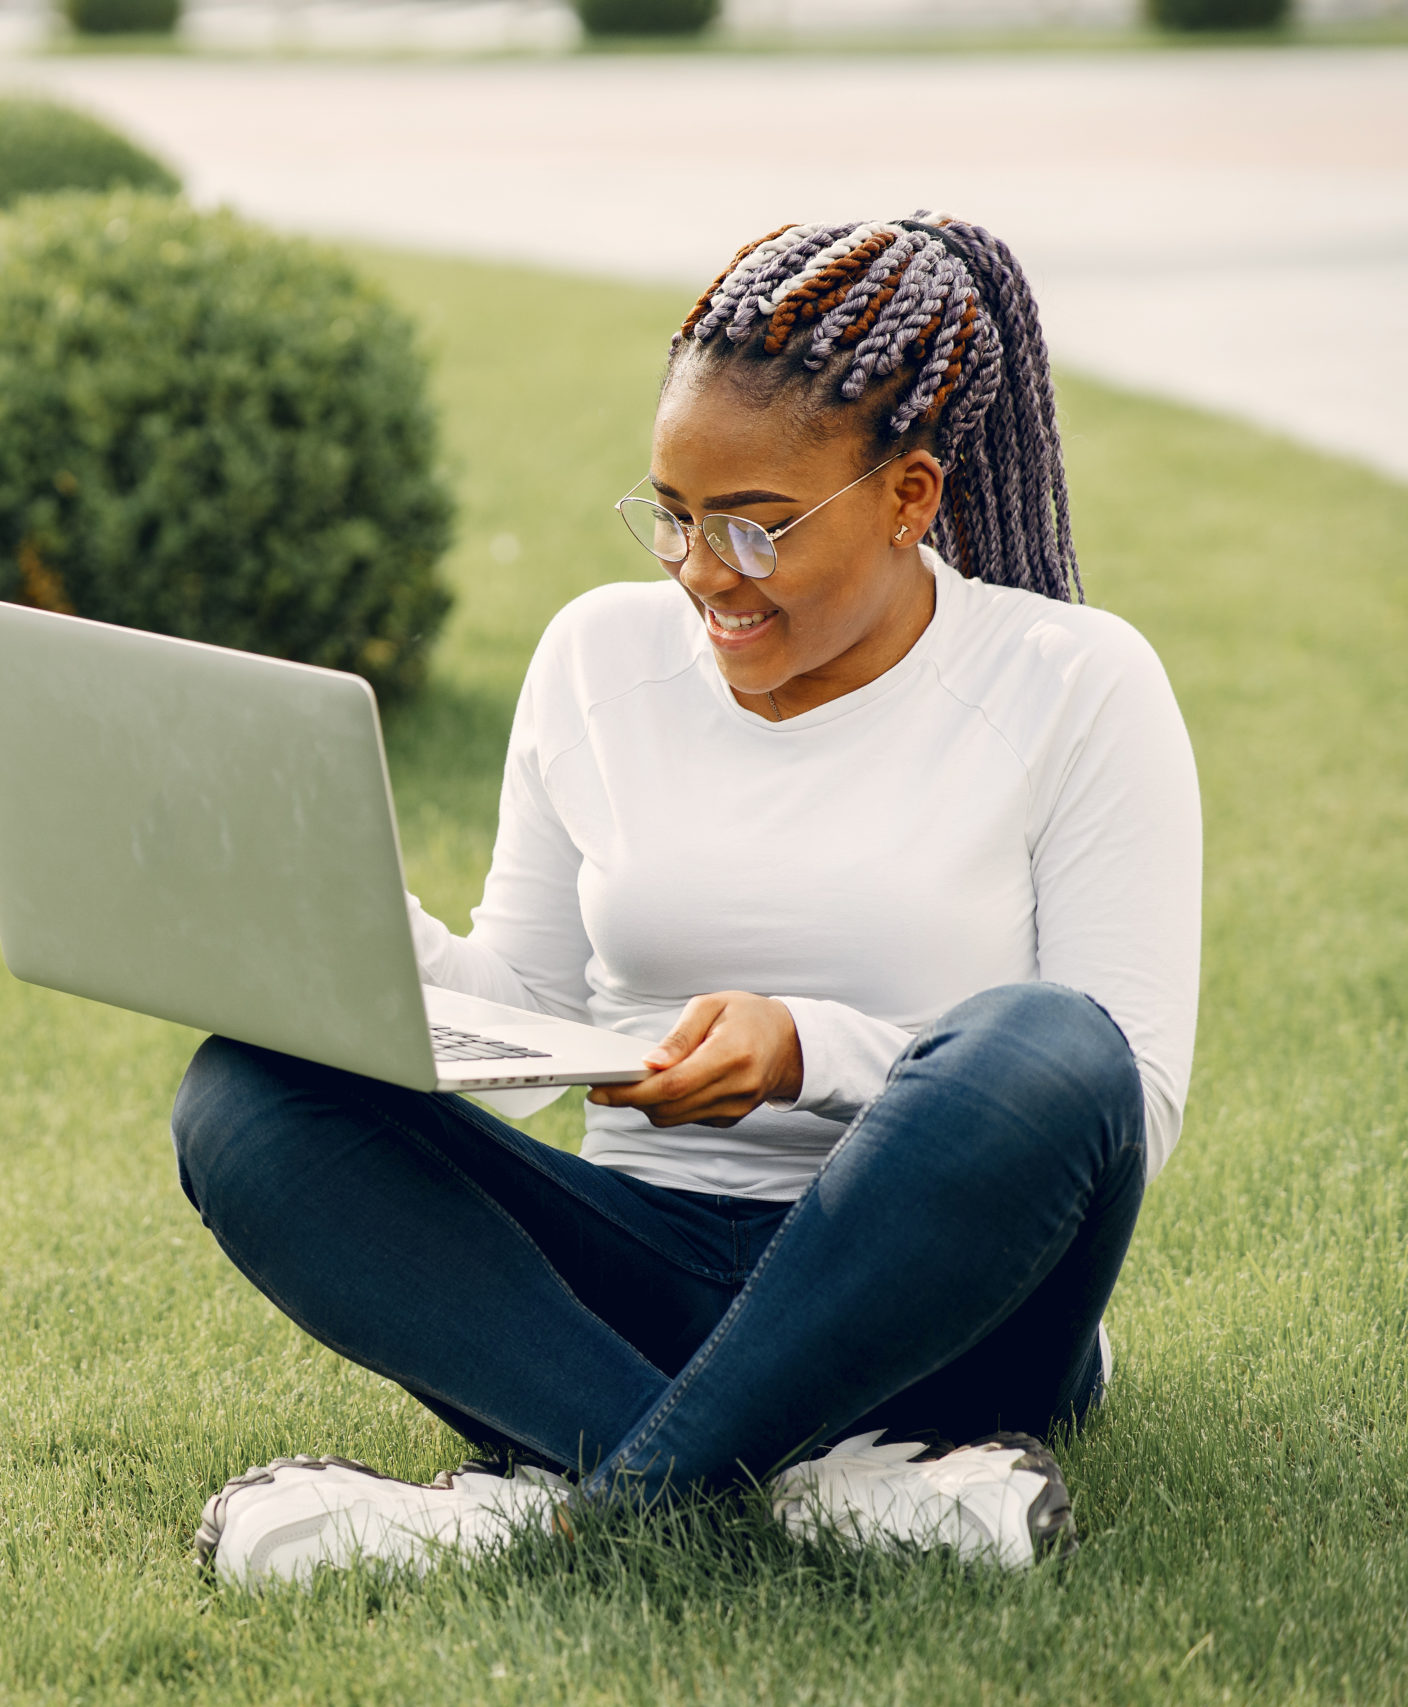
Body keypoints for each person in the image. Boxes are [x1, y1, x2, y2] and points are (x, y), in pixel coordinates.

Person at [174, 216, 1201, 1587]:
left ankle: (564, 1512)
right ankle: (822, 1494)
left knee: (1044, 1049)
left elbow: (1124, 1102)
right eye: (672, 513)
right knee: (247, 1098)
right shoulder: (597, 657)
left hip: (948, 1305)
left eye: (757, 529)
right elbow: (523, 1033)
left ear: (908, 498)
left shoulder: (1076, 682)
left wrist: (804, 1050)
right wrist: (333, 922)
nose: (704, 571)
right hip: (632, 1277)